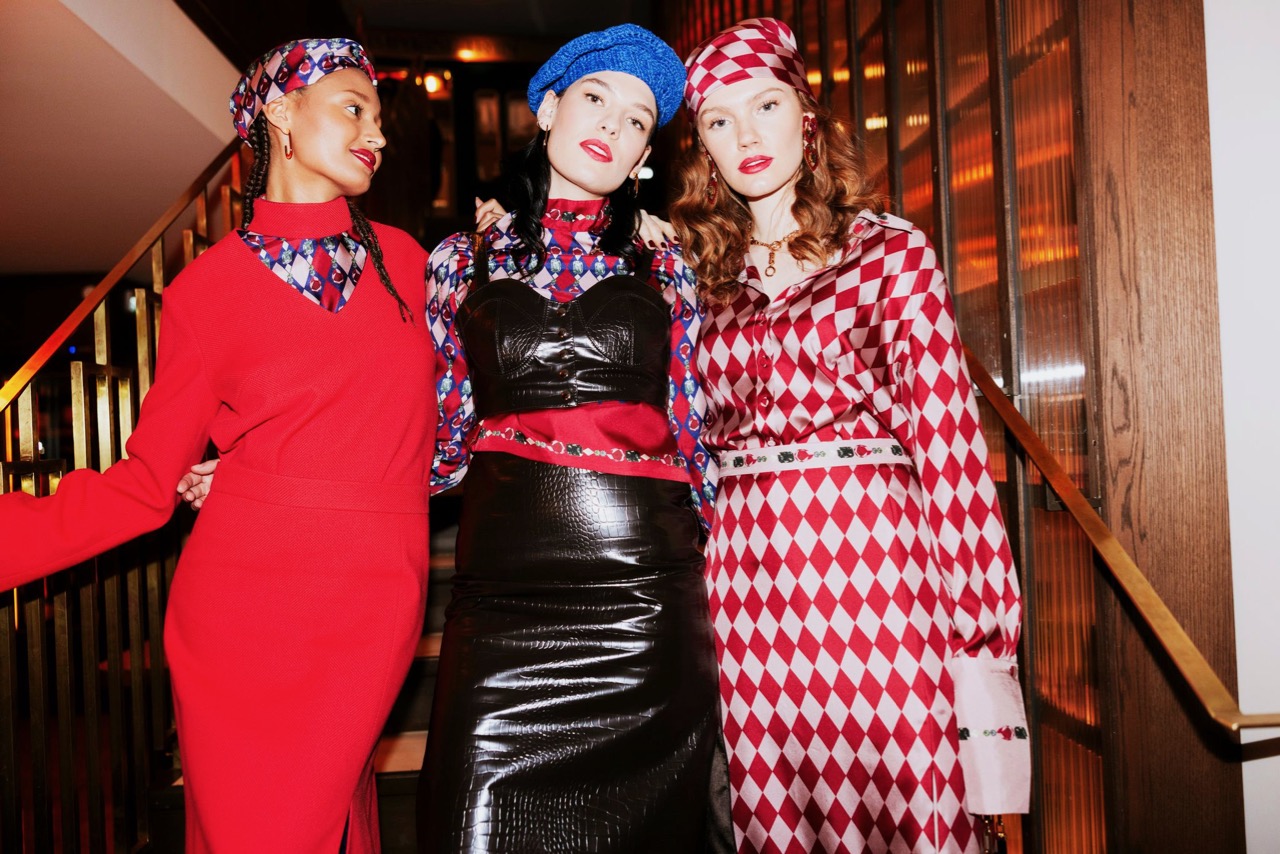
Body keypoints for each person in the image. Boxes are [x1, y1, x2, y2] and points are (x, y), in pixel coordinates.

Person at [0, 38, 433, 853]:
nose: (377, 132)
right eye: (353, 108)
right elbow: (145, 484)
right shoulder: (205, 290)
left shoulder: (409, 264)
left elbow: (446, 426)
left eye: (379, 117)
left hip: (376, 600)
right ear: (282, 112)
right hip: (243, 614)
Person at [669, 18, 1031, 854]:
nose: (747, 135)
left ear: (807, 117)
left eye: (765, 106)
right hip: (745, 588)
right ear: (703, 147)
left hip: (880, 569)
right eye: (720, 119)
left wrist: (982, 636)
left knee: (910, 793)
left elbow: (949, 447)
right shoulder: (691, 277)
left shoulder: (889, 254)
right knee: (775, 810)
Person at [418, 23, 723, 853]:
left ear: (644, 155)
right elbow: (436, 437)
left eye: (636, 121)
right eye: (595, 98)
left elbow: (692, 431)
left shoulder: (667, 265)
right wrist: (277, 469)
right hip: (500, 608)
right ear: (548, 108)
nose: (612, 126)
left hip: (644, 607)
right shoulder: (459, 260)